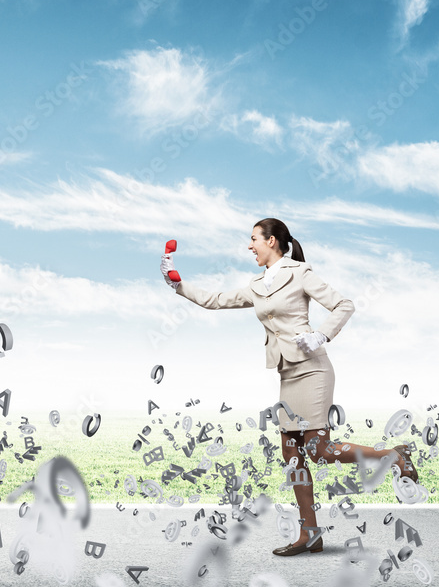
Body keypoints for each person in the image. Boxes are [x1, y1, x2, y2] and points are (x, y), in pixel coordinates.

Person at [159, 218, 418, 556]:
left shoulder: (300, 273)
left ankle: (393, 456)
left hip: (313, 369)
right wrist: (177, 284)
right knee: (292, 454)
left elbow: (344, 304)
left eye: (253, 239)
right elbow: (216, 299)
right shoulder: (256, 284)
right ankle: (309, 533)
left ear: (272, 241)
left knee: (319, 450)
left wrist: (320, 334)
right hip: (287, 373)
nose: (249, 246)